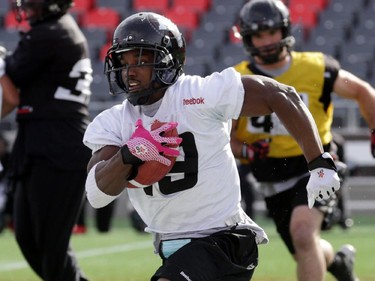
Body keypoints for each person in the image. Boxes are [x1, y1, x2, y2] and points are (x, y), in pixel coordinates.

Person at [83, 12, 340, 281]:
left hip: (224, 239)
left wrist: (318, 161)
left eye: (140, 58)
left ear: (166, 59)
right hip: (174, 246)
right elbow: (97, 195)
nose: (129, 70)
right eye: (123, 60)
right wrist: (128, 154)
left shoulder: (201, 94)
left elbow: (281, 95)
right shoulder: (112, 123)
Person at [230, 1, 375, 280]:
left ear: (284, 31)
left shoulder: (317, 68)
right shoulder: (236, 79)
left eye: (271, 32)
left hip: (316, 166)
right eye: (259, 35)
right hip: (271, 176)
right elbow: (229, 137)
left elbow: (362, 91)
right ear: (248, 39)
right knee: (305, 247)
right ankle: (339, 263)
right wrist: (246, 150)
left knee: (302, 232)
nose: (267, 41)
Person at [2, 0, 92, 280]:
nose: (26, 3)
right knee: (28, 238)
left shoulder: (52, 32)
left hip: (58, 143)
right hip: (40, 137)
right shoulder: (55, 30)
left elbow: (10, 83)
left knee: (51, 246)